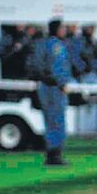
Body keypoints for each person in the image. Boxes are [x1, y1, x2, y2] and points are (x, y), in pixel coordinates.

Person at [34, 17, 71, 166]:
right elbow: (55, 68)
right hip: (52, 87)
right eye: (62, 28)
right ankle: (54, 154)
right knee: (55, 120)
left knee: (54, 120)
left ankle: (54, 153)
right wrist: (60, 83)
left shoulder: (51, 44)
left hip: (52, 86)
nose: (64, 30)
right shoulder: (54, 46)